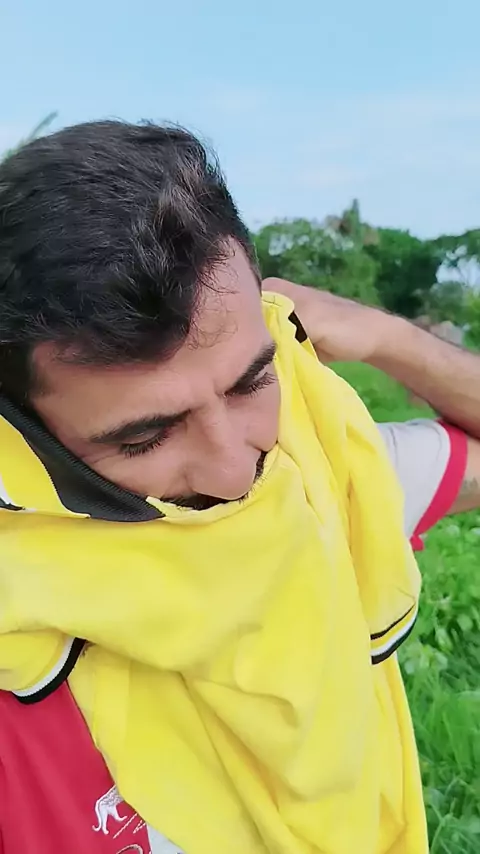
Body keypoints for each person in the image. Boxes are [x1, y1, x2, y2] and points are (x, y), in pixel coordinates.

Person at [0, 121, 478, 854]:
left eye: (253, 381)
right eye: (145, 438)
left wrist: (389, 337)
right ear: (25, 433)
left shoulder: (323, 474)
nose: (233, 473)